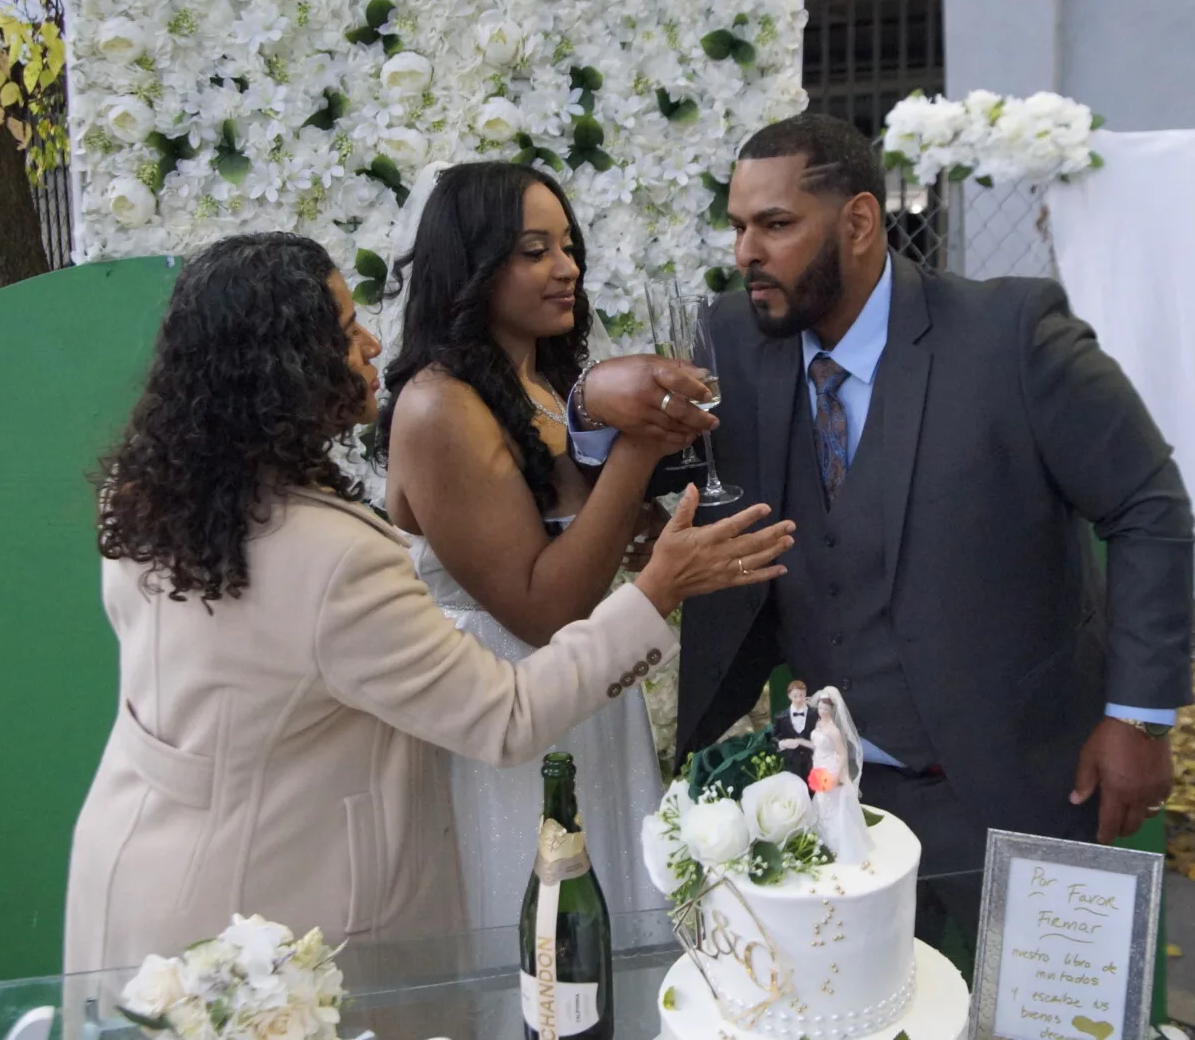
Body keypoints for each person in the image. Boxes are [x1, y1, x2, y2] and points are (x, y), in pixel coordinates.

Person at [65, 232, 793, 972]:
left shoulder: (146, 493)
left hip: (128, 860)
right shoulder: (334, 557)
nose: (373, 342)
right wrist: (655, 590)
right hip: (255, 912)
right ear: (283, 369)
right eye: (347, 331)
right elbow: (506, 717)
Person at [573, 112, 1194, 875]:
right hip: (826, 802)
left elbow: (1148, 505)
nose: (746, 253)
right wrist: (592, 400)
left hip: (1021, 782)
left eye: (775, 224)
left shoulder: (1013, 335)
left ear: (860, 221)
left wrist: (1139, 716)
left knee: (1021, 1000)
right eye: (738, 227)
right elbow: (649, 468)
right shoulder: (731, 340)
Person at [375, 162, 722, 927]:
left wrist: (651, 528)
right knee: (545, 941)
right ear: (472, 265)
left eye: (567, 246)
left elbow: (585, 547)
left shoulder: (537, 382)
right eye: (534, 250)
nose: (566, 267)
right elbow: (544, 607)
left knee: (615, 924)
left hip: (586, 694)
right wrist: (637, 446)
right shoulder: (439, 406)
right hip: (507, 717)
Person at [807, 689, 875, 866]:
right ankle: (820, 836)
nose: (822, 711)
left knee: (832, 803)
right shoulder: (818, 725)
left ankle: (838, 843)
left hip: (830, 766)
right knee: (820, 801)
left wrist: (836, 773)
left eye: (825, 709)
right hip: (819, 763)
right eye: (820, 708)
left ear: (831, 711)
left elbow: (843, 754)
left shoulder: (834, 731)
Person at [774, 678, 818, 782]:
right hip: (790, 763)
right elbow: (773, 738)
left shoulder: (815, 714)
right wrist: (782, 744)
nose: (798, 699)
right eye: (795, 696)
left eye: (801, 695)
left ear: (805, 694)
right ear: (789, 696)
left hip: (812, 762)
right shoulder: (780, 717)